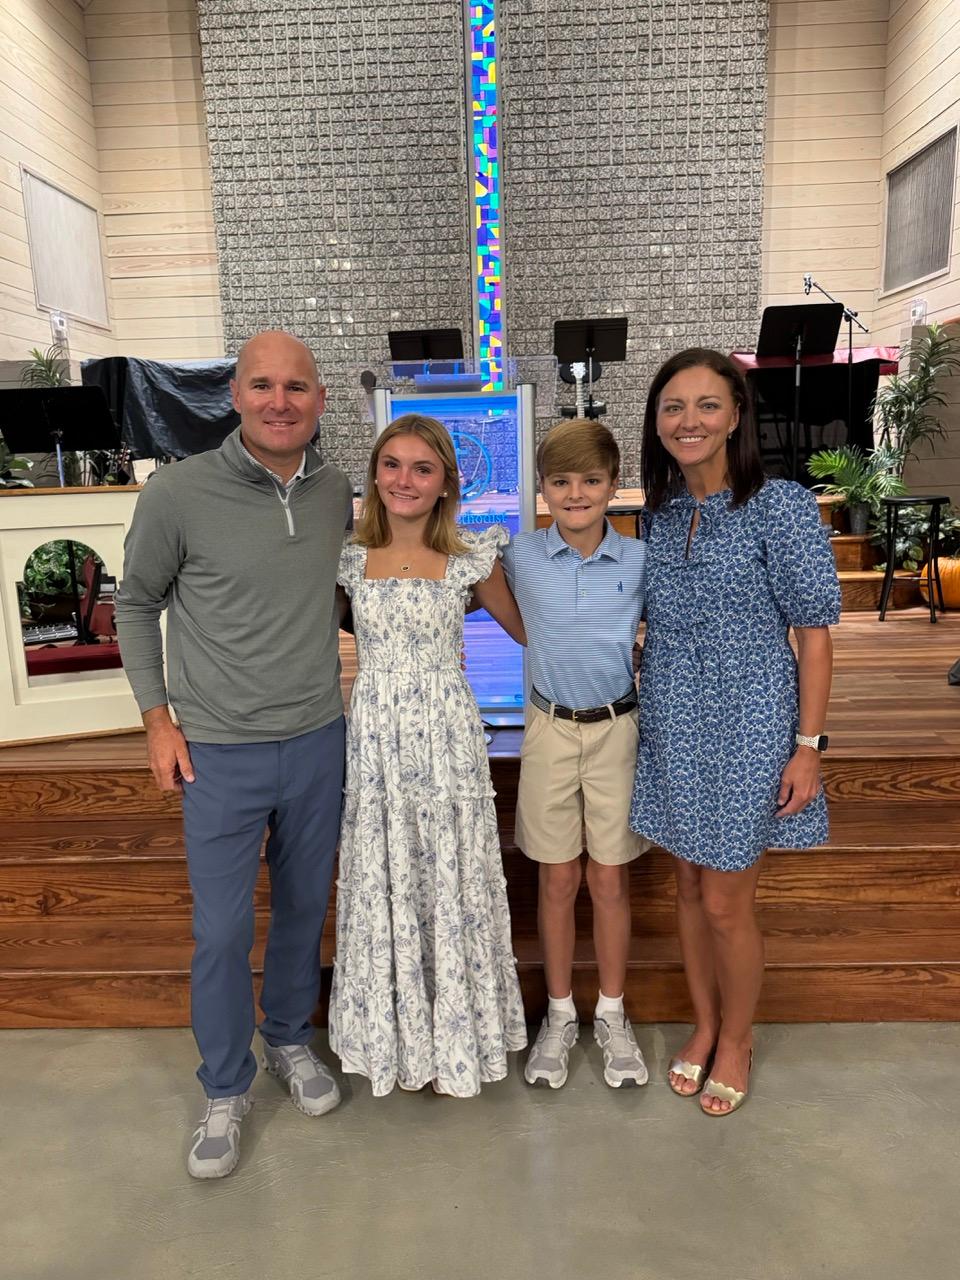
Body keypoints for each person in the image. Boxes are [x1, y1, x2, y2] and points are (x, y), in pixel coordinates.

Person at [115, 330, 352, 1177]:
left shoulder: (336, 492)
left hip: (318, 738)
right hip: (216, 749)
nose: (279, 402)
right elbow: (135, 603)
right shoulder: (178, 494)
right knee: (220, 932)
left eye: (296, 386)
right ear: (235, 395)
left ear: (320, 399)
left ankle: (287, 1038)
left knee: (302, 910)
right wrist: (157, 719)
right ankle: (224, 1086)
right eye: (262, 385)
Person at [629, 348, 840, 1116]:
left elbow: (814, 633)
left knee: (724, 900)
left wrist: (807, 747)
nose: (688, 420)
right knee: (687, 887)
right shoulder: (657, 515)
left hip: (751, 716)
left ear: (736, 417)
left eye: (706, 405)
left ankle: (739, 1039)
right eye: (673, 407)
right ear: (657, 423)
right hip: (673, 715)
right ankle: (706, 1023)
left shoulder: (779, 506)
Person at [329, 414, 528, 1097]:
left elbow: (532, 630)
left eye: (422, 468)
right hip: (376, 740)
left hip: (447, 739)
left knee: (450, 877)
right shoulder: (348, 560)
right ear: (374, 475)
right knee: (385, 873)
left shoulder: (471, 557)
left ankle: (455, 1044)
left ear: (446, 481)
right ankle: (397, 1041)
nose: (404, 480)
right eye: (392, 465)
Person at [501, 418, 650, 1091]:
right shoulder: (519, 555)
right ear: (542, 488)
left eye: (591, 480)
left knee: (609, 880)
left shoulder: (640, 560)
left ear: (614, 484)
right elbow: (472, 583)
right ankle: (560, 1013)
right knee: (557, 879)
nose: (576, 494)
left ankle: (612, 1012)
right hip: (550, 730)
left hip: (619, 728)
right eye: (560, 482)